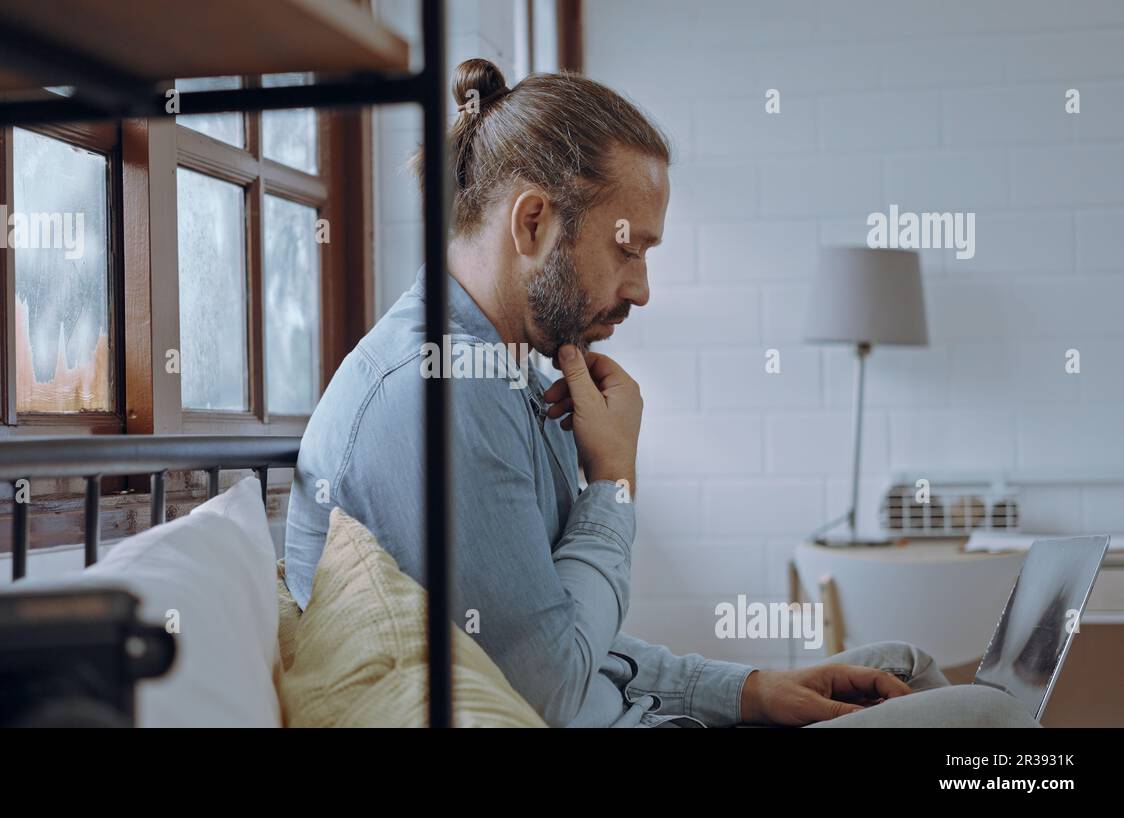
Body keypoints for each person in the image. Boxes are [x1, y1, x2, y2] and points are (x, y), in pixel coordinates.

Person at [284, 58, 1037, 729]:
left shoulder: (511, 374)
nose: (641, 289)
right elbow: (549, 690)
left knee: (901, 666)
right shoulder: (443, 393)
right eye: (628, 247)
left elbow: (562, 638)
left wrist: (749, 690)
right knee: (983, 719)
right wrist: (612, 485)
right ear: (534, 222)